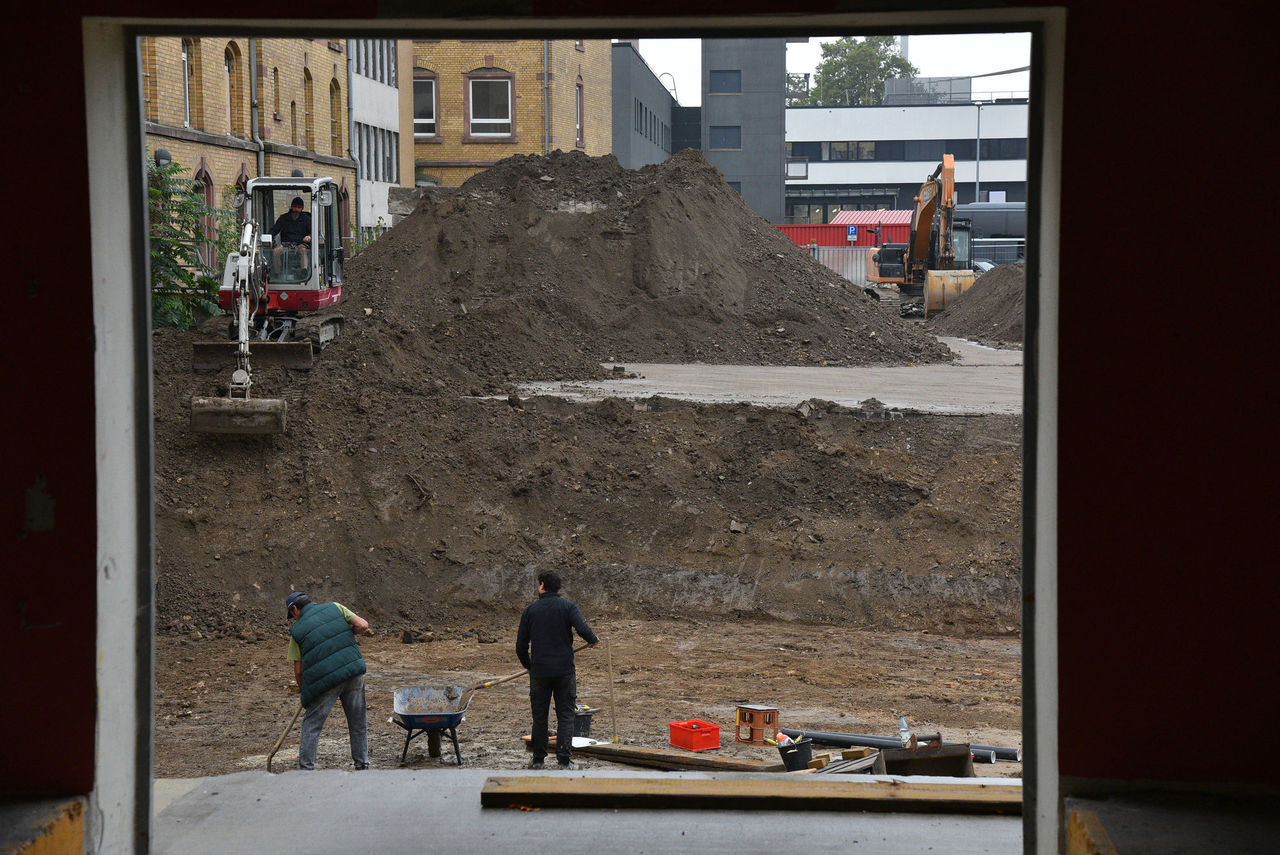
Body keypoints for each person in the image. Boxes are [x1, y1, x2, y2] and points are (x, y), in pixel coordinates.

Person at [516, 571, 598, 770]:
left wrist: (530, 666)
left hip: (540, 673)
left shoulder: (530, 610)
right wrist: (592, 640)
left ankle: (538, 760)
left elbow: (520, 646)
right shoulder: (568, 606)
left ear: (542, 585)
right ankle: (563, 761)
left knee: (540, 717)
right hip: (564, 672)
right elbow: (582, 628)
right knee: (566, 716)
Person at [285, 591, 371, 770]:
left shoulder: (297, 631)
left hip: (325, 681)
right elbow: (363, 625)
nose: (293, 620)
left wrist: (306, 694)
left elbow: (299, 671)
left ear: (295, 609)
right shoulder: (335, 607)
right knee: (358, 722)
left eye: (291, 615)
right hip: (353, 672)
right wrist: (348, 633)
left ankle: (306, 769)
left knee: (312, 724)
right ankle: (362, 765)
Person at [269, 196, 312, 274]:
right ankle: (277, 273)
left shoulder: (307, 219)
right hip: (286, 244)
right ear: (291, 207)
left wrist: (309, 236)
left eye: (298, 207)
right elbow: (274, 230)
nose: (296, 209)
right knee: (276, 251)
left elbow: (313, 231)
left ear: (302, 209)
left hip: (301, 243)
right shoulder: (283, 218)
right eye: (295, 207)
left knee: (303, 250)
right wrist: (268, 237)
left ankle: (304, 271)